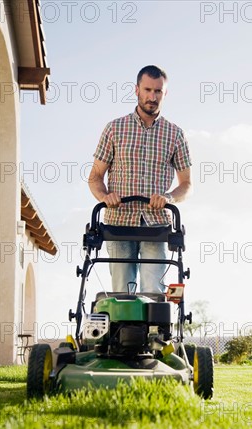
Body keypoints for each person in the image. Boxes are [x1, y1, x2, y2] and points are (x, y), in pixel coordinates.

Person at [88, 65, 192, 293]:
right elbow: (95, 177)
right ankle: (122, 329)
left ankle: (155, 329)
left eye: (158, 91)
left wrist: (168, 197)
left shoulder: (175, 134)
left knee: (153, 291)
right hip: (118, 222)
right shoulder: (115, 129)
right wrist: (106, 196)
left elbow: (186, 185)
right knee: (121, 292)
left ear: (165, 94)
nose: (152, 97)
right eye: (147, 90)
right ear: (136, 90)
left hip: (156, 224)